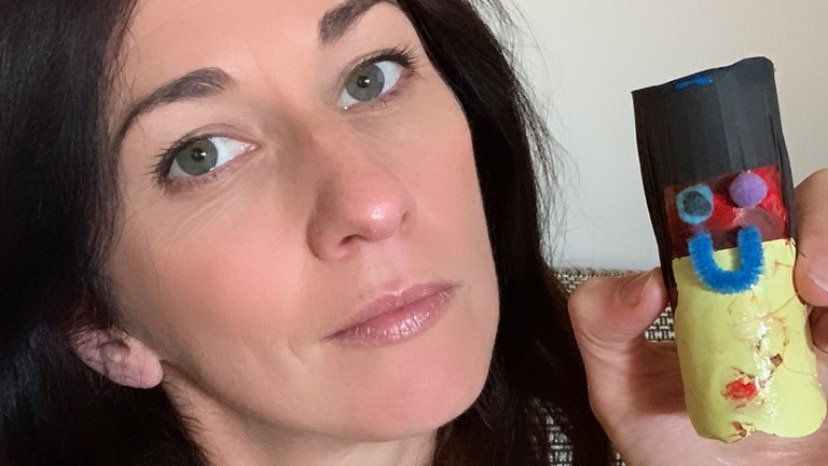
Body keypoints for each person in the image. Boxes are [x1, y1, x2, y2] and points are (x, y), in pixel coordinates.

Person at [0, 1, 826, 465]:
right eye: (201, 153)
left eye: (370, 77)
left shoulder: (611, 427)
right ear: (96, 323)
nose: (371, 202)